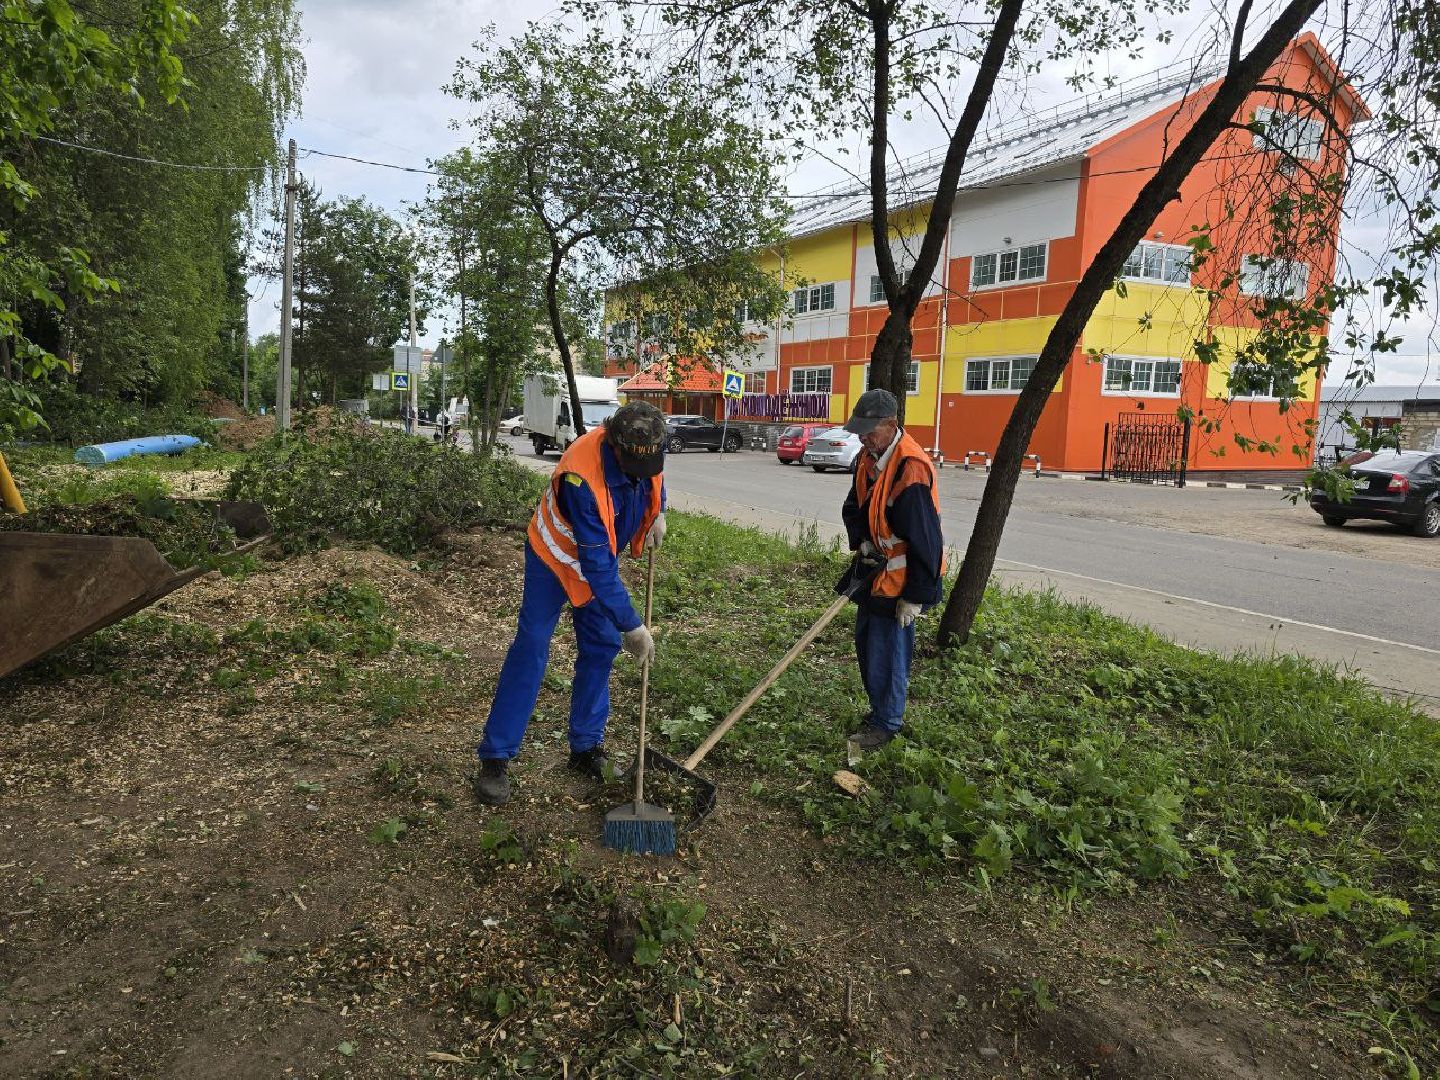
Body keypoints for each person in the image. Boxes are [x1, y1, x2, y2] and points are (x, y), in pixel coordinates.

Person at [473, 401, 669, 806]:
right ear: (614, 444)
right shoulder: (582, 476)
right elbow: (596, 567)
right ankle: (496, 757)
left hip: (598, 558)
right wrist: (631, 624)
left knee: (599, 648)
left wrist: (658, 511)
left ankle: (585, 748)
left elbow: (653, 477)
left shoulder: (645, 442)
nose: (641, 467)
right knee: (532, 647)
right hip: (554, 557)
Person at [838, 388, 945, 751]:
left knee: (889, 652)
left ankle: (887, 723)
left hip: (902, 583)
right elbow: (854, 505)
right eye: (860, 431)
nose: (863, 437)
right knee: (868, 647)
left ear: (891, 424)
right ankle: (878, 711)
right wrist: (862, 540)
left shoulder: (909, 468)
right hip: (874, 573)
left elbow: (926, 541)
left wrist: (916, 597)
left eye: (870, 430)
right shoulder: (869, 459)